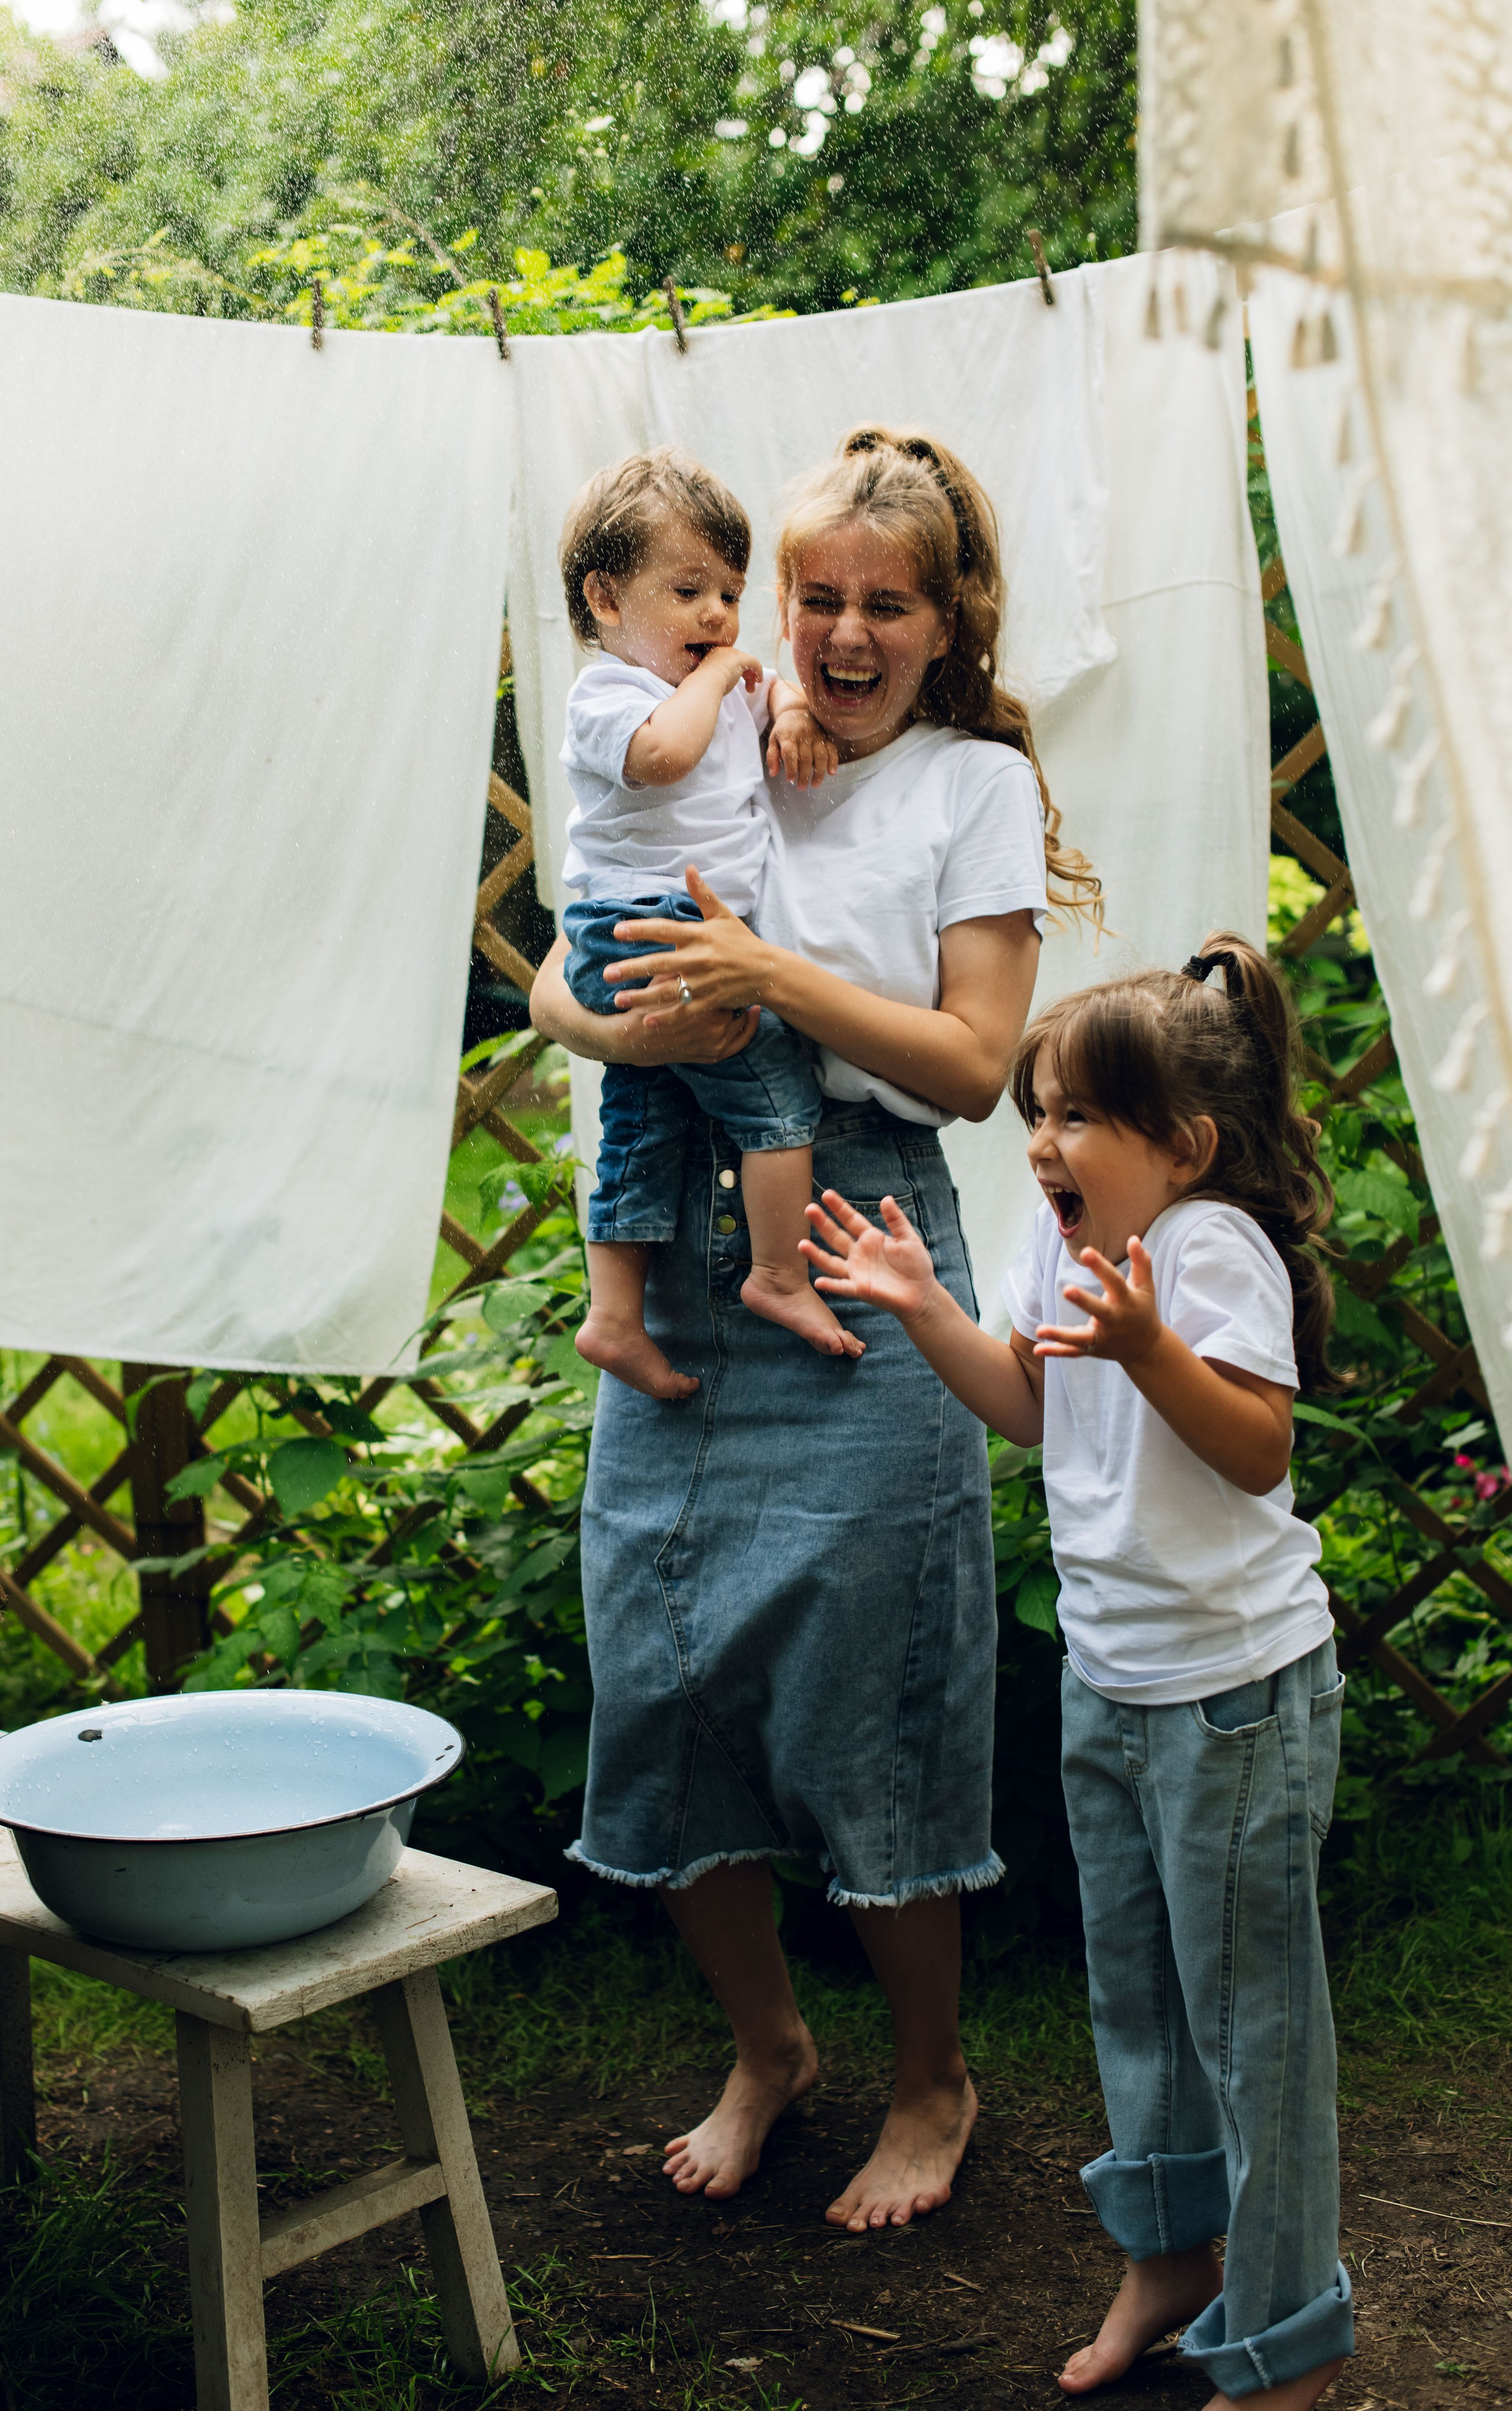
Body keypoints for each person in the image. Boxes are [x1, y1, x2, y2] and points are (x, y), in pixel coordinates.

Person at [531, 424, 1100, 2231]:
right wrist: (641, 1034)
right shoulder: (709, 717)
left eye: (888, 604)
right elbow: (560, 966)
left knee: (871, 1699)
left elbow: (971, 1060)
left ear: (949, 622)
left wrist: (767, 978)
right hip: (688, 1247)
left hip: (861, 1242)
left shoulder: (968, 790)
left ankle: (930, 2074)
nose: (846, 633)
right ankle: (770, 2045)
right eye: (819, 595)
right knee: (665, 1669)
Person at [800, 935, 1352, 2409]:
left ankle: (1287, 2334)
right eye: (1035, 1110)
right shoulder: (1062, 1240)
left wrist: (1153, 1344)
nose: (1039, 1140)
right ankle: (1171, 2255)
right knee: (1138, 1997)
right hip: (1111, 1678)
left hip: (1233, 1693)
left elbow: (1252, 1451)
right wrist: (925, 1308)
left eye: (1075, 1118)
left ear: (1183, 1147)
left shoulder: (1208, 1248)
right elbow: (1034, 1415)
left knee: (1251, 2023)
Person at [558, 446, 858, 1400]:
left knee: (643, 1114)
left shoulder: (721, 682)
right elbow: (665, 758)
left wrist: (796, 707)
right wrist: (726, 669)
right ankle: (778, 1272)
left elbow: (782, 701)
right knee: (773, 1082)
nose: (718, 617)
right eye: (688, 590)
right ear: (606, 599)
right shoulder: (611, 696)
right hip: (643, 924)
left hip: (676, 925)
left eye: (730, 594)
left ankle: (612, 1317)